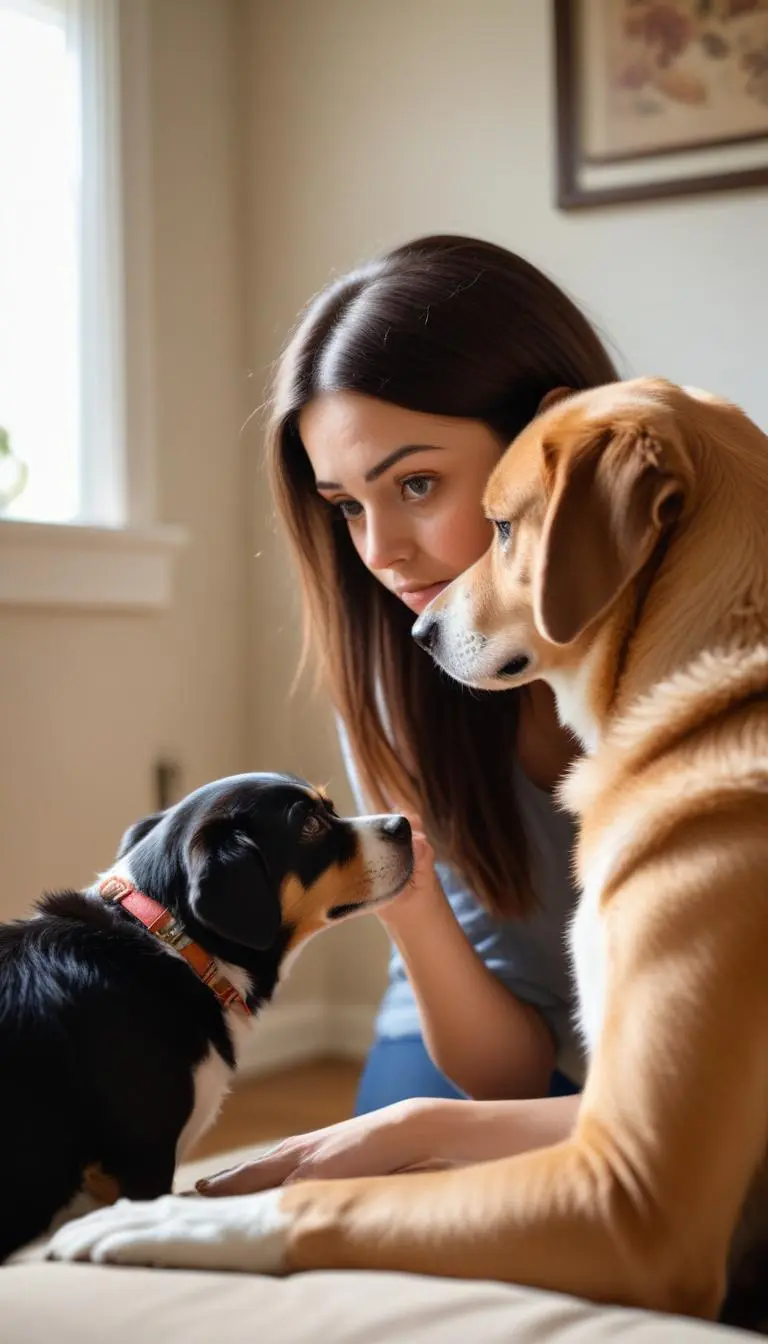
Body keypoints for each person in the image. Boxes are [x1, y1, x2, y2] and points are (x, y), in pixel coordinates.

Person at [202, 235, 620, 1192]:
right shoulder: (400, 673)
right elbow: (505, 1068)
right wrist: (408, 895)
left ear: (552, 448)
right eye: (346, 506)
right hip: (478, 1027)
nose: (383, 551)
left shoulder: (713, 646)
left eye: (417, 485)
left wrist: (431, 1131)